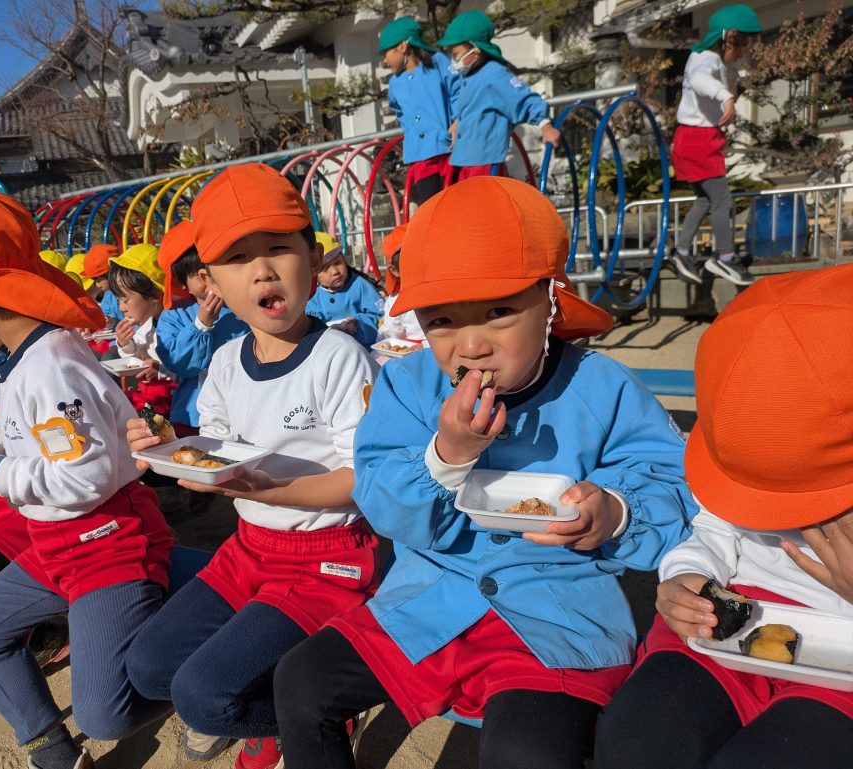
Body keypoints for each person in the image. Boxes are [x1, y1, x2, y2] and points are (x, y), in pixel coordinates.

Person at [273, 177, 696, 769]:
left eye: (499, 312)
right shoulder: (406, 386)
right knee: (300, 683)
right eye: (441, 319)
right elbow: (380, 498)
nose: (471, 345)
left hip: (557, 609)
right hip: (428, 597)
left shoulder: (600, 386)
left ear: (549, 300)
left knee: (526, 750)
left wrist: (615, 512)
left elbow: (672, 483)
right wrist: (445, 454)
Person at [0, 188, 173, 769]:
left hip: (107, 546)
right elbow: (34, 437)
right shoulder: (26, 356)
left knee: (106, 715)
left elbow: (81, 477)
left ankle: (224, 662)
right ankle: (51, 750)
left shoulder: (49, 365)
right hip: (59, 546)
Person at [124, 164, 380, 769]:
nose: (262, 270)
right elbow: (214, 446)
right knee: (149, 668)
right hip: (249, 548)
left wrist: (273, 491)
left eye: (278, 249)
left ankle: (317, 713)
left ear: (312, 261)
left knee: (204, 697)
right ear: (210, 283)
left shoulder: (339, 358)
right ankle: (290, 702)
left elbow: (364, 480)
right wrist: (165, 443)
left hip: (326, 559)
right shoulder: (226, 362)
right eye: (238, 259)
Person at [595, 265, 853, 769]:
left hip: (841, 670)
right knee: (636, 742)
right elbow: (715, 526)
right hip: (733, 618)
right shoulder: (750, 442)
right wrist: (687, 575)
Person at [670, 4, 761, 288]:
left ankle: (681, 252)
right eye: (742, 43)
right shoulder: (705, 57)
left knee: (705, 200)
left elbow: (717, 85)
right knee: (722, 201)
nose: (743, 51)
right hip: (698, 140)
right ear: (729, 37)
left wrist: (735, 90)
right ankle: (724, 257)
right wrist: (726, 97)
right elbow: (700, 81)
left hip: (694, 138)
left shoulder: (715, 62)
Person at [437, 11, 560, 181]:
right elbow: (473, 108)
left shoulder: (494, 74)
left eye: (456, 54)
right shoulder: (469, 76)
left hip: (484, 160)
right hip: (464, 159)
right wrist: (459, 122)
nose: (453, 60)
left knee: (486, 197)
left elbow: (523, 99)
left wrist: (546, 126)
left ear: (475, 50)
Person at [153, 220, 247, 436]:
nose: (208, 277)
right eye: (198, 274)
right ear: (182, 284)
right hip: (194, 415)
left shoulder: (244, 302)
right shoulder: (173, 316)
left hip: (245, 406)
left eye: (213, 265)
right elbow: (181, 365)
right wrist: (202, 325)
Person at [379, 16, 461, 206]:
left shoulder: (438, 63)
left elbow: (457, 90)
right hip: (420, 156)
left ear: (403, 47)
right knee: (429, 209)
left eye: (387, 52)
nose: (385, 60)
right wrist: (411, 133)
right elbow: (399, 111)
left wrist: (458, 119)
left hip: (446, 149)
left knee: (454, 204)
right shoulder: (395, 83)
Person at [109, 243, 175, 417]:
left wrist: (162, 370)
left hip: (173, 403)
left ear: (155, 295)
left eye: (125, 300)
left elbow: (193, 369)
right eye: (118, 300)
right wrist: (126, 344)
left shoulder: (178, 325)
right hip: (153, 398)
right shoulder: (147, 325)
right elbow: (137, 357)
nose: (121, 308)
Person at [305, 232, 383, 348]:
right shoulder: (314, 296)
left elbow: (380, 315)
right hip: (331, 348)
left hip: (363, 346)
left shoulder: (359, 285)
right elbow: (309, 324)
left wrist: (358, 323)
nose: (335, 271)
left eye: (337, 263)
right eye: (325, 268)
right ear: (314, 275)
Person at [375, 223, 426, 346]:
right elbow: (390, 332)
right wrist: (383, 344)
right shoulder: (396, 299)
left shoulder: (442, 291)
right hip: (410, 348)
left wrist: (425, 345)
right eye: (411, 266)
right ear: (395, 271)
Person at [79, 242, 124, 325]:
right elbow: (109, 315)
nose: (97, 285)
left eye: (96, 279)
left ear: (111, 273)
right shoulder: (108, 295)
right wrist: (110, 320)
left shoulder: (133, 291)